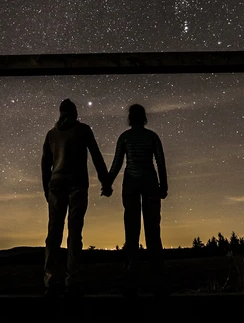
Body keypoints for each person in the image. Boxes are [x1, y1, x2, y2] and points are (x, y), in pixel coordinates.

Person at [41, 98, 111, 296]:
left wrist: (46, 190)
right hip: (77, 185)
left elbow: (45, 164)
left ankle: (51, 279)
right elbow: (96, 155)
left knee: (54, 232)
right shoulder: (83, 130)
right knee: (75, 232)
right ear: (75, 112)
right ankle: (73, 278)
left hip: (56, 186)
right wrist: (105, 182)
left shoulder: (51, 134)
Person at [107, 104, 168, 296]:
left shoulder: (125, 137)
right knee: (153, 229)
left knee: (131, 230)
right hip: (150, 182)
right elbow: (160, 162)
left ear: (130, 118)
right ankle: (157, 276)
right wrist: (164, 185)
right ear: (144, 118)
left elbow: (117, 162)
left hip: (131, 183)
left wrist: (107, 183)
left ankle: (131, 276)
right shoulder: (152, 136)